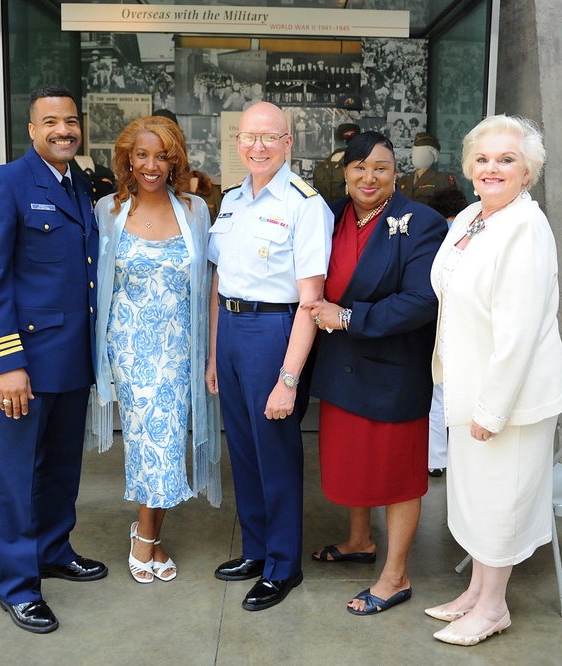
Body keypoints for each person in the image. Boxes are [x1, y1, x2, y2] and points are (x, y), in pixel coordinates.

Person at [0, 84, 108, 635]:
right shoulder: (2, 185)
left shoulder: (79, 186)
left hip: (69, 362)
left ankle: (53, 550)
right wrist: (5, 363)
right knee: (15, 478)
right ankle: (19, 585)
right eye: (51, 122)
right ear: (31, 129)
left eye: (70, 121)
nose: (63, 130)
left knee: (59, 470)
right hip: (18, 366)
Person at [427, 114, 562, 646]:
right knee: (474, 502)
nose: (492, 168)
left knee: (501, 506)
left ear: (528, 171)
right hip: (467, 386)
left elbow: (519, 334)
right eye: (483, 158)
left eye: (507, 159)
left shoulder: (526, 229)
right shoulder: (471, 216)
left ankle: (492, 608)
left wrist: (491, 410)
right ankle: (474, 594)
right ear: (469, 167)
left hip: (509, 399)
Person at [304, 132, 446, 615]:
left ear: (396, 173)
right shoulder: (332, 217)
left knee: (398, 474)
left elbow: (421, 301)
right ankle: (359, 541)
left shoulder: (422, 223)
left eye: (381, 168)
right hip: (341, 366)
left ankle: (396, 574)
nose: (369, 177)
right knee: (354, 464)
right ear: (344, 172)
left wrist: (347, 318)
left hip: (392, 368)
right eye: (359, 167)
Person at [205, 102, 334, 611]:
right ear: (237, 142)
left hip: (276, 330)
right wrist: (217, 355)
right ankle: (256, 550)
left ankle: (283, 565)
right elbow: (220, 281)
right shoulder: (233, 200)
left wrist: (288, 378)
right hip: (233, 330)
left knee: (275, 453)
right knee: (243, 449)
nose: (257, 147)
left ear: (287, 144)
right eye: (248, 137)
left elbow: (311, 300)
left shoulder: (305, 204)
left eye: (269, 138)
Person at [92, 115, 221, 584]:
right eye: (142, 155)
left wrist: (209, 355)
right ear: (127, 157)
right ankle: (146, 536)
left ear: (175, 160)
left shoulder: (194, 210)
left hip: (179, 349)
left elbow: (208, 287)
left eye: (162, 156)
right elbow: (96, 286)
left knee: (167, 444)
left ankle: (149, 535)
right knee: (154, 443)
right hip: (127, 350)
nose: (151, 165)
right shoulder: (107, 210)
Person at [423, 186, 469, 477]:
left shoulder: (435, 233)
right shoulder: (469, 232)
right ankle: (462, 460)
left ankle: (436, 459)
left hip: (437, 322)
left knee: (436, 395)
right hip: (465, 323)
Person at [399, 133, 459, 207]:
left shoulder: (442, 179)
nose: (416, 156)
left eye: (422, 152)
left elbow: (452, 208)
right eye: (415, 152)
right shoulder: (404, 181)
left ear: (434, 155)